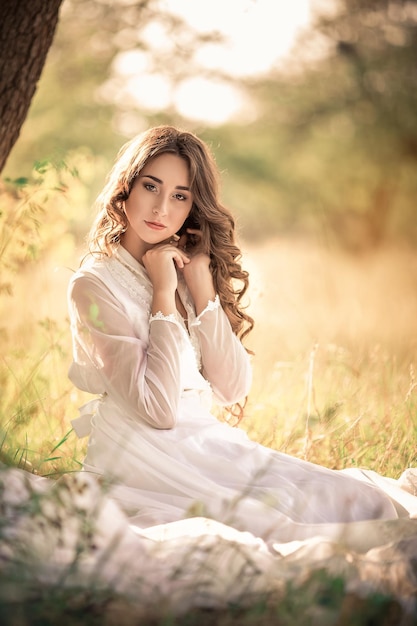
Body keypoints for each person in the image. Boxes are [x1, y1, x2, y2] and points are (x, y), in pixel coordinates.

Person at [67, 125, 417, 544]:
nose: (162, 208)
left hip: (204, 443)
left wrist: (200, 285)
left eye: (180, 195)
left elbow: (231, 387)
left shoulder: (183, 268)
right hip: (142, 455)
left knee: (363, 502)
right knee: (295, 527)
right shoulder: (94, 284)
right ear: (125, 189)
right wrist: (161, 293)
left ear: (192, 208)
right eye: (151, 186)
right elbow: (157, 412)